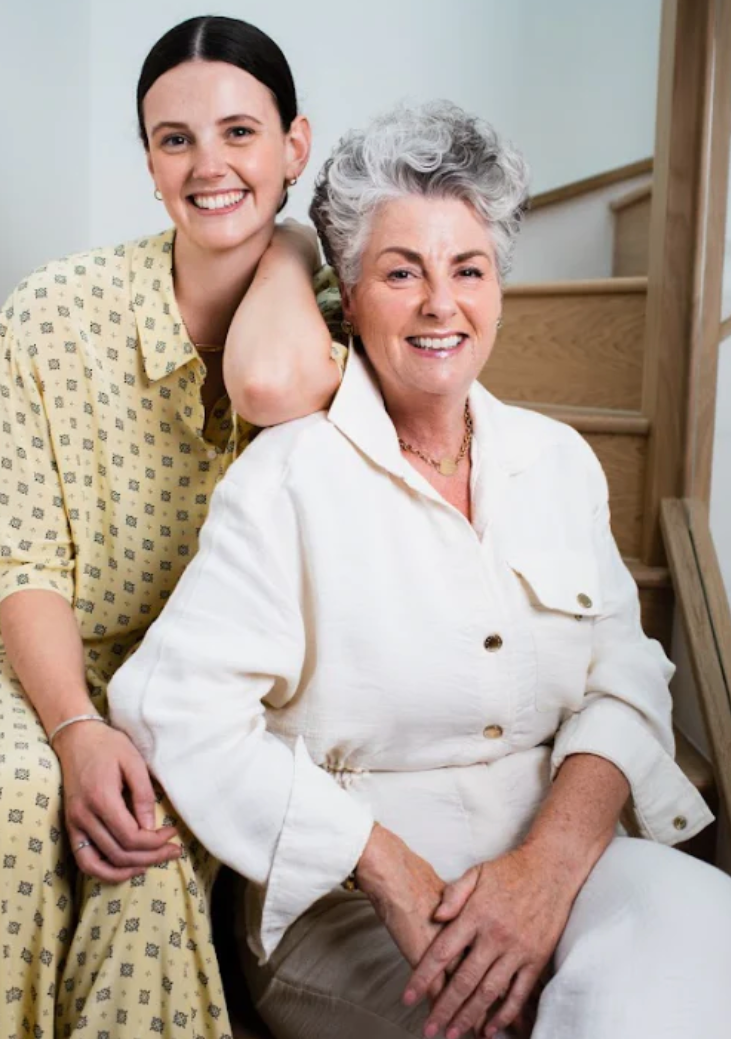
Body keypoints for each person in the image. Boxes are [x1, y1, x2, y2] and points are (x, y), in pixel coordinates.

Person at [109, 100, 731, 1039]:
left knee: (696, 961)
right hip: (352, 900)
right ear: (349, 299)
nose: (442, 304)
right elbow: (174, 711)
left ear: (498, 287)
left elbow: (627, 673)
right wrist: (385, 867)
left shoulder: (557, 460)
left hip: (564, 854)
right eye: (403, 272)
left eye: (468, 269)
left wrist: (548, 867)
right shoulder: (286, 480)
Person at [0, 15, 345, 1039]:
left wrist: (287, 246)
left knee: (146, 879)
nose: (207, 165)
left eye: (240, 133)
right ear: (149, 160)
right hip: (25, 646)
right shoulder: (49, 311)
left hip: (199, 680)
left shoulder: (336, 324)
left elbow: (276, 380)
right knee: (3, 811)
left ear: (295, 145)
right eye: (174, 140)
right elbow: (23, 559)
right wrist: (73, 728)